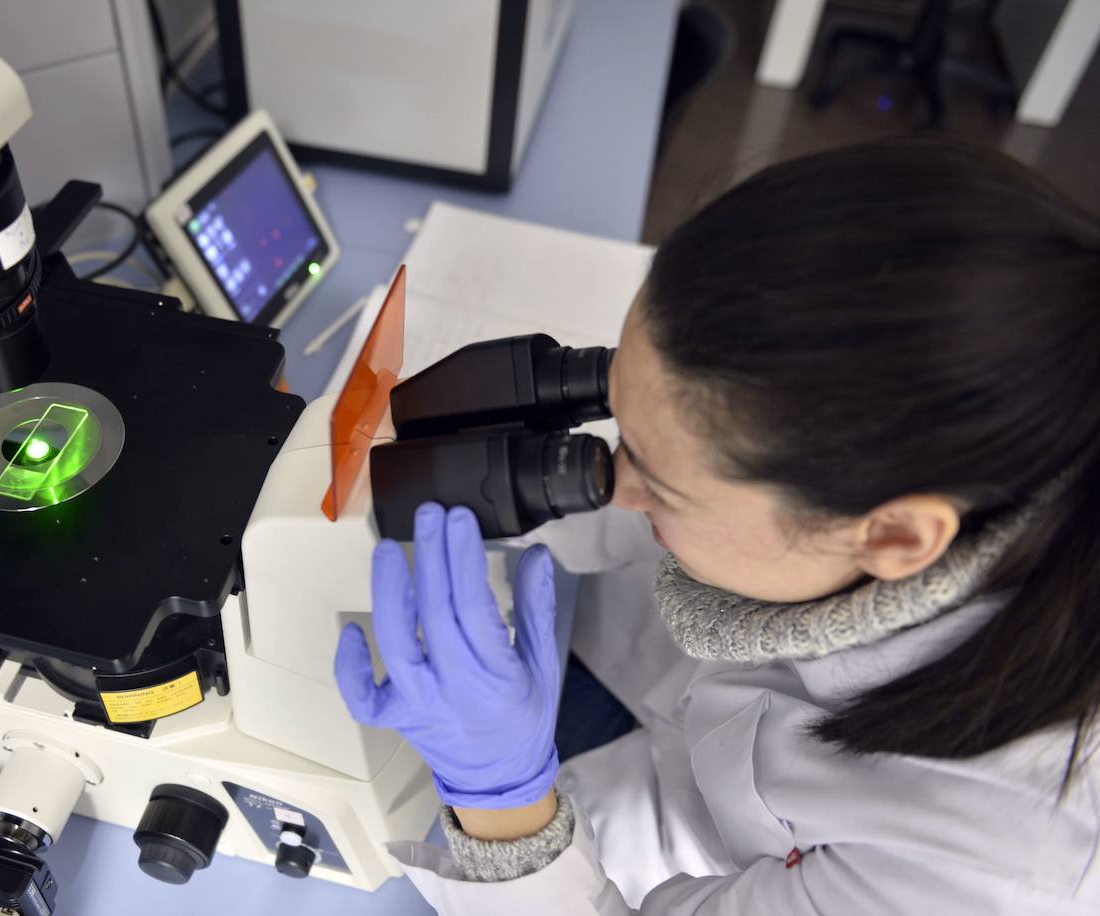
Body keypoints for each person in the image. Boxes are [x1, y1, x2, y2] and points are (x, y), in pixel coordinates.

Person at [333, 137, 1100, 914]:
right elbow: (696, 471)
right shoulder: (1008, 411)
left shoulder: (983, 867)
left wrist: (504, 809)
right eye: (615, 419)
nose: (616, 486)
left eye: (658, 485)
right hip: (673, 723)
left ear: (894, 538)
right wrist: (483, 478)